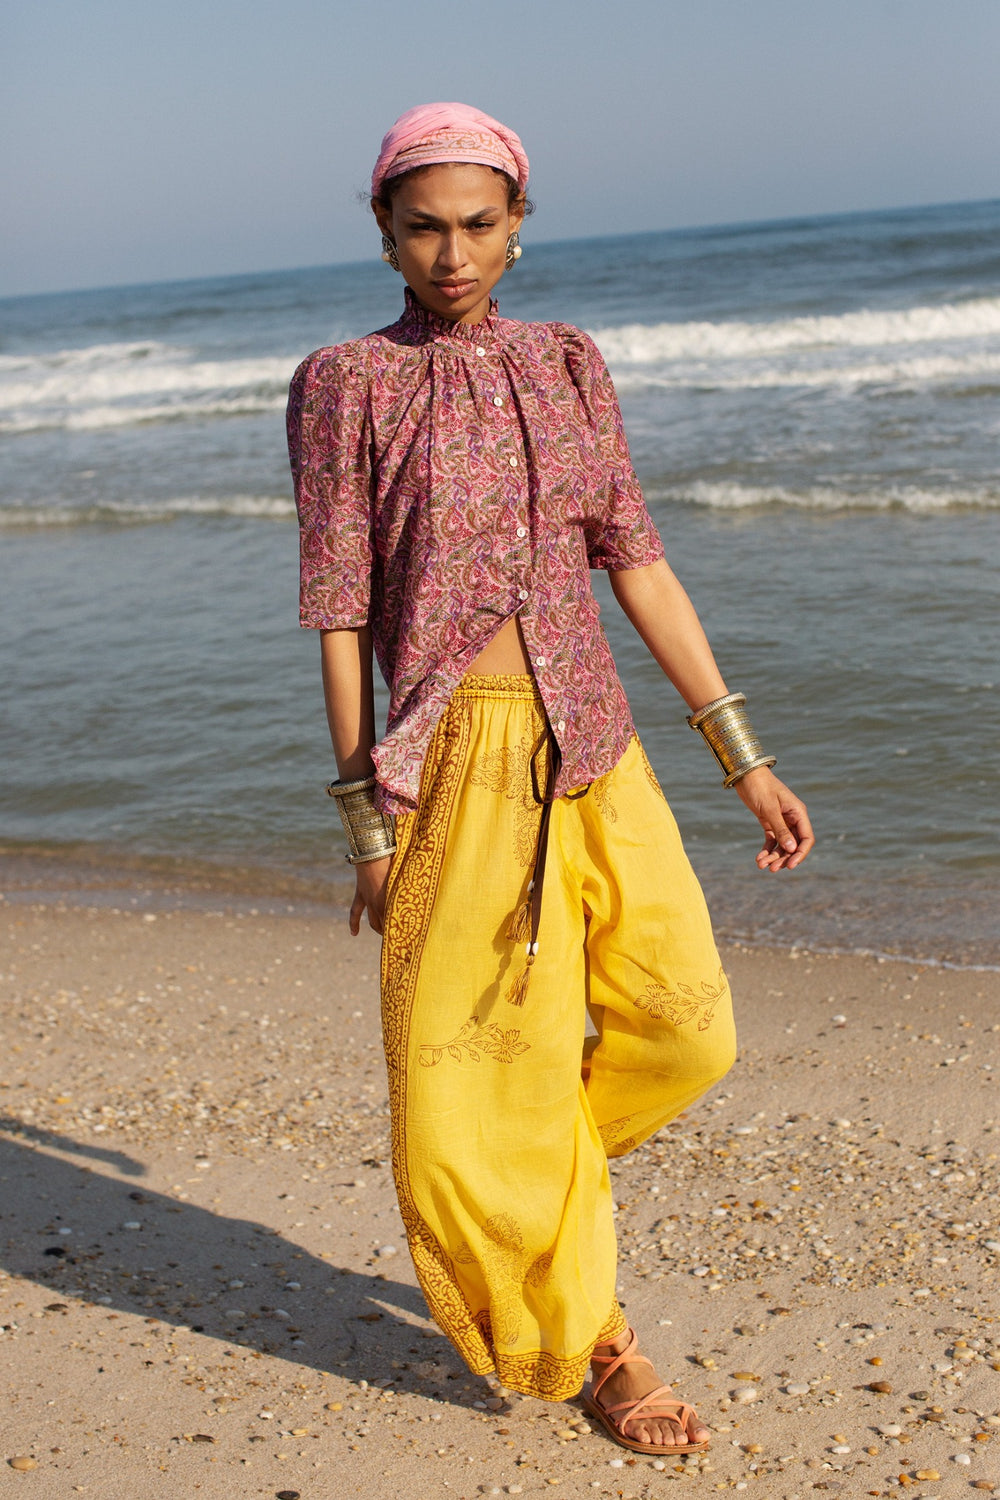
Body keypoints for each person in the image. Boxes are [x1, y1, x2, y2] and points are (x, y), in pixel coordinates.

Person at [287, 102, 814, 1458]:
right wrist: (363, 819)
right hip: (452, 762)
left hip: (600, 746)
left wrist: (741, 756)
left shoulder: (572, 363)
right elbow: (341, 611)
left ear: (520, 226)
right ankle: (600, 1344)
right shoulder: (345, 383)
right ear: (385, 233)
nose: (451, 253)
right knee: (470, 1085)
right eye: (423, 226)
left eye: (478, 224)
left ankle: (537, 1186)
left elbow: (636, 558)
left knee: (688, 1030)